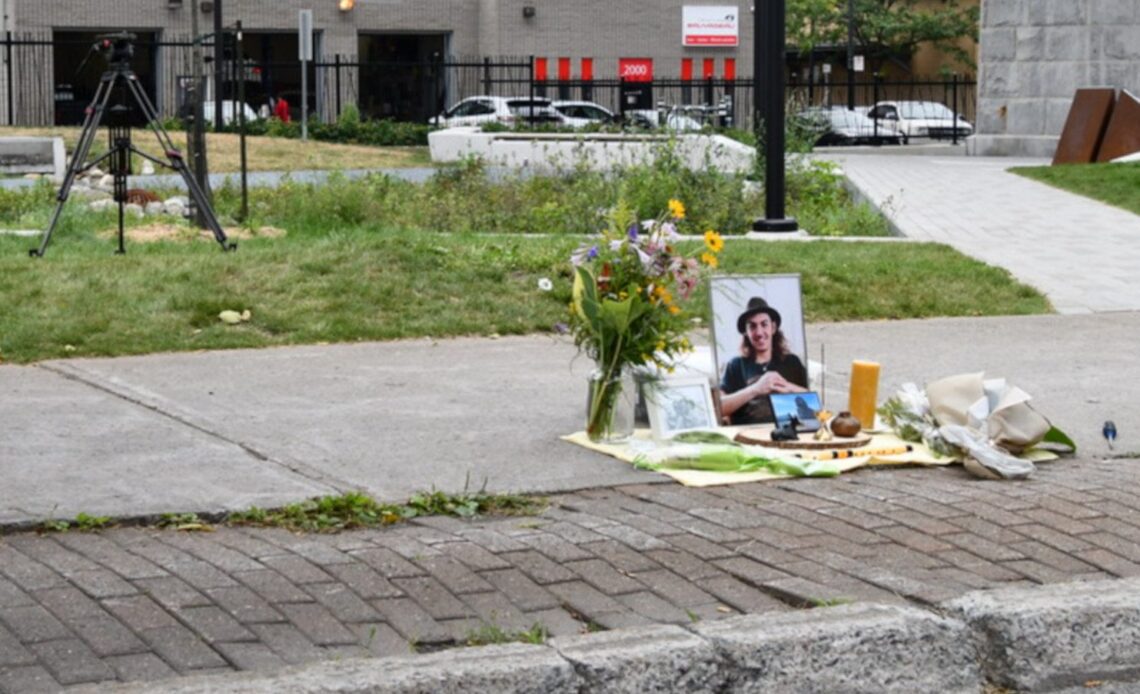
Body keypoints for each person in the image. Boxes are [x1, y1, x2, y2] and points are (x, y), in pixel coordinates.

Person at [719, 297, 808, 425]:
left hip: (788, 435)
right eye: (752, 326)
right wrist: (756, 388)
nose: (759, 332)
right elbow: (719, 408)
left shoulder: (792, 362)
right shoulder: (735, 365)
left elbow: (815, 402)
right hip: (747, 436)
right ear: (746, 332)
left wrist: (787, 387)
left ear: (773, 327)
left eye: (764, 324)